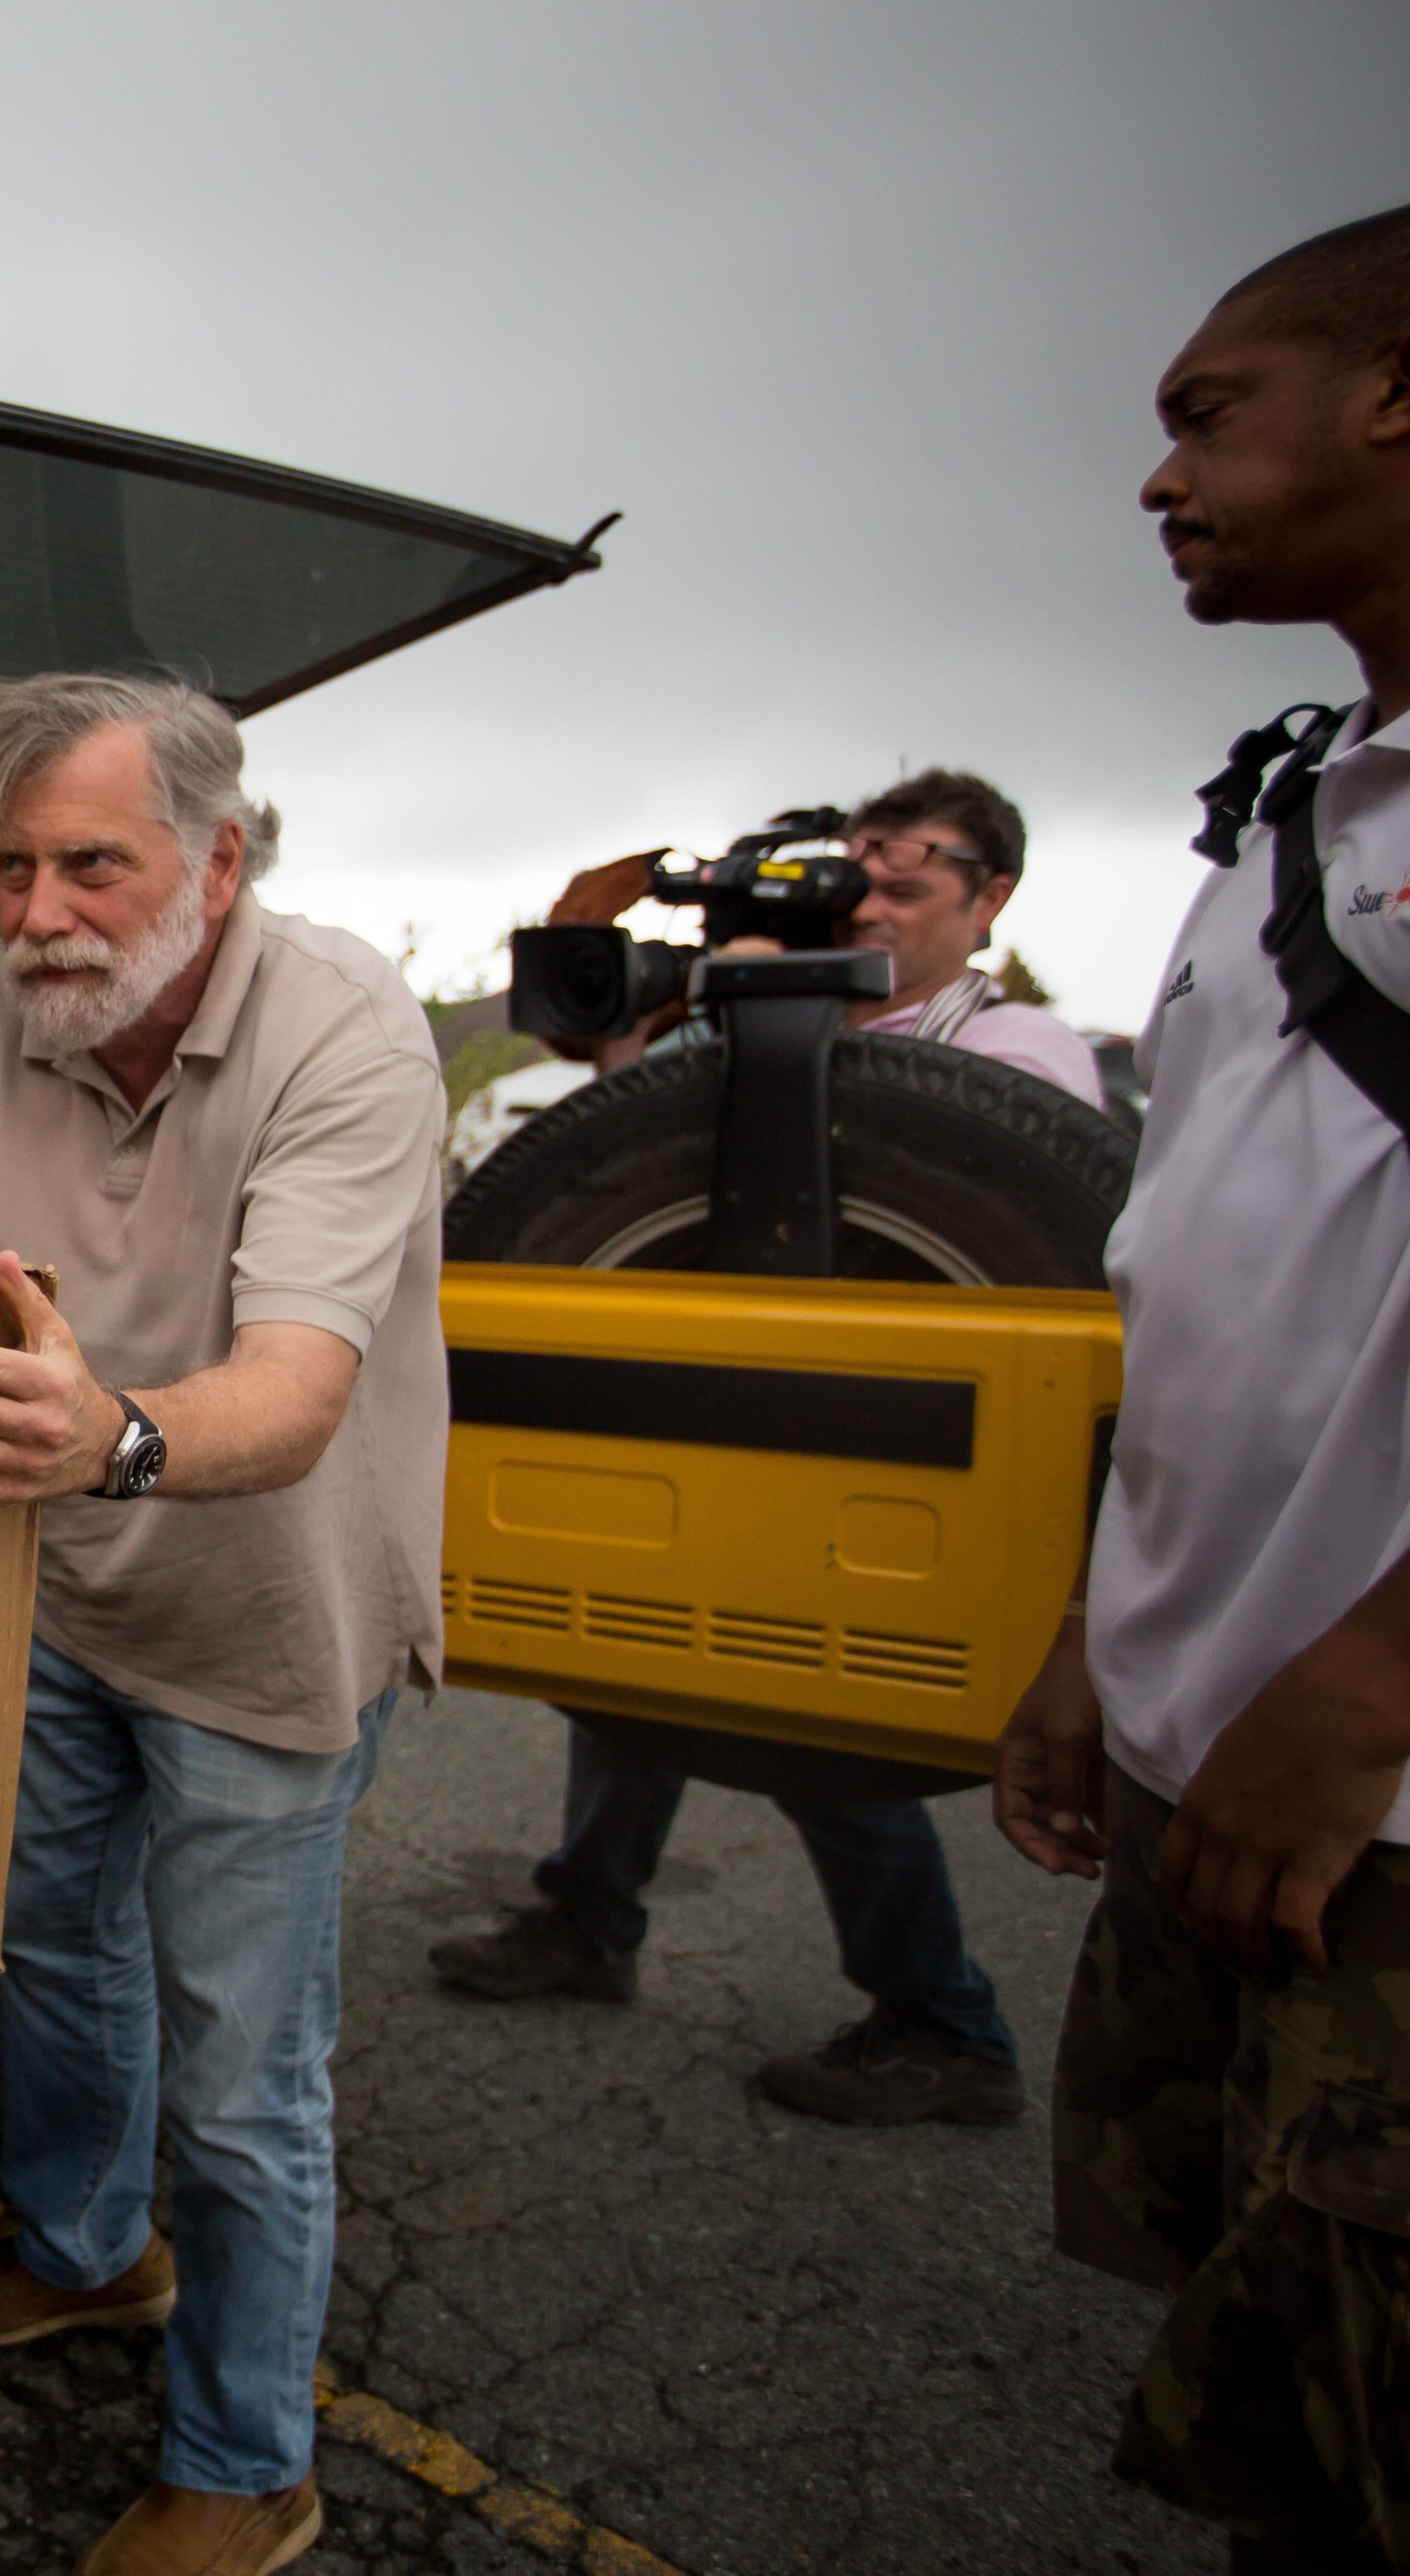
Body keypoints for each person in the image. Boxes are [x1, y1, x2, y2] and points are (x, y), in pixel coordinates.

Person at [0, 671, 448, 2576]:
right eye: (10, 872)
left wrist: (118, 1434)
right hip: (55, 1593)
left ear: (219, 858)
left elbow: (298, 1389)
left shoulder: (345, 1032)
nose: (39, 918)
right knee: (53, 1963)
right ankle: (94, 2259)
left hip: (271, 1629)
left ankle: (249, 2463)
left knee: (245, 2072)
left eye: (92, 865)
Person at [996, 202, 1410, 2575]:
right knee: (1265, 2380)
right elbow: (1210, 1281)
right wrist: (1108, 1631)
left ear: (1399, 387)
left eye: (1204, 414)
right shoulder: (1287, 817)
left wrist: (1369, 1681)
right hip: (1207, 1735)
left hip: (1371, 1787)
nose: (1161, 478)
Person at [428, 770, 1105, 2127]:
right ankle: (589, 1918)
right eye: (860, 872)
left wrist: (827, 1029)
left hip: (896, 1457)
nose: (877, 896)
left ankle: (945, 2022)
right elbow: (619, 1161)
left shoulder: (1023, 1050)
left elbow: (1011, 1186)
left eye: (914, 879)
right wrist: (662, 1028)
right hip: (709, 1411)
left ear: (992, 901)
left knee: (812, 1725)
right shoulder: (750, 1030)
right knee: (621, 1660)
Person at [542, 767, 1105, 1099]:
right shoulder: (717, 1027)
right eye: (855, 889)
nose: (864, 913)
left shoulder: (1019, 1045)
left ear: (989, 900)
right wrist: (629, 1034)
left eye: (903, 894)